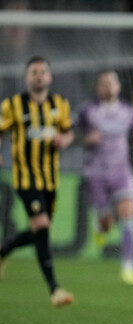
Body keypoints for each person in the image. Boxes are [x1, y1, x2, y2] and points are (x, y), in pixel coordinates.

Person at [0, 56, 75, 306]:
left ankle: (3, 251)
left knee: (40, 229)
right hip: (25, 178)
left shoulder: (59, 104)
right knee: (41, 226)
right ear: (27, 77)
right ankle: (54, 288)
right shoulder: (13, 105)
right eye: (34, 72)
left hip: (50, 180)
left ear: (49, 77)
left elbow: (68, 132)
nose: (39, 76)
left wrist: (64, 140)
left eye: (43, 71)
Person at [75, 70, 133, 286]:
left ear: (118, 86)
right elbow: (71, 135)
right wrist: (86, 139)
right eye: (104, 83)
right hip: (96, 174)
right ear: (98, 88)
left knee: (128, 218)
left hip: (122, 172)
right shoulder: (88, 111)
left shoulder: (129, 111)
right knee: (106, 223)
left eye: (112, 82)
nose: (108, 86)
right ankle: (100, 226)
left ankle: (128, 268)